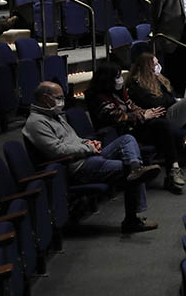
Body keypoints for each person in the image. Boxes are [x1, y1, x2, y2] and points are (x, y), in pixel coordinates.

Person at [23, 82, 161, 233]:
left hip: (86, 156)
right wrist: (88, 148)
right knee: (128, 170)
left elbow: (73, 139)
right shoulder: (36, 123)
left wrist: (88, 142)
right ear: (45, 98)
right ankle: (131, 219)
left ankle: (136, 168)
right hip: (77, 166)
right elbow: (56, 150)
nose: (62, 101)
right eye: (58, 97)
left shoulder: (54, 115)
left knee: (127, 139)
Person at [85, 62, 186, 194]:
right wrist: (143, 116)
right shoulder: (97, 97)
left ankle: (173, 169)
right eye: (117, 77)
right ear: (107, 79)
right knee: (162, 128)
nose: (121, 79)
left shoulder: (119, 92)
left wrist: (146, 112)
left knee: (162, 125)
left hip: (133, 127)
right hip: (117, 134)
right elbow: (118, 117)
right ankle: (171, 170)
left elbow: (131, 107)